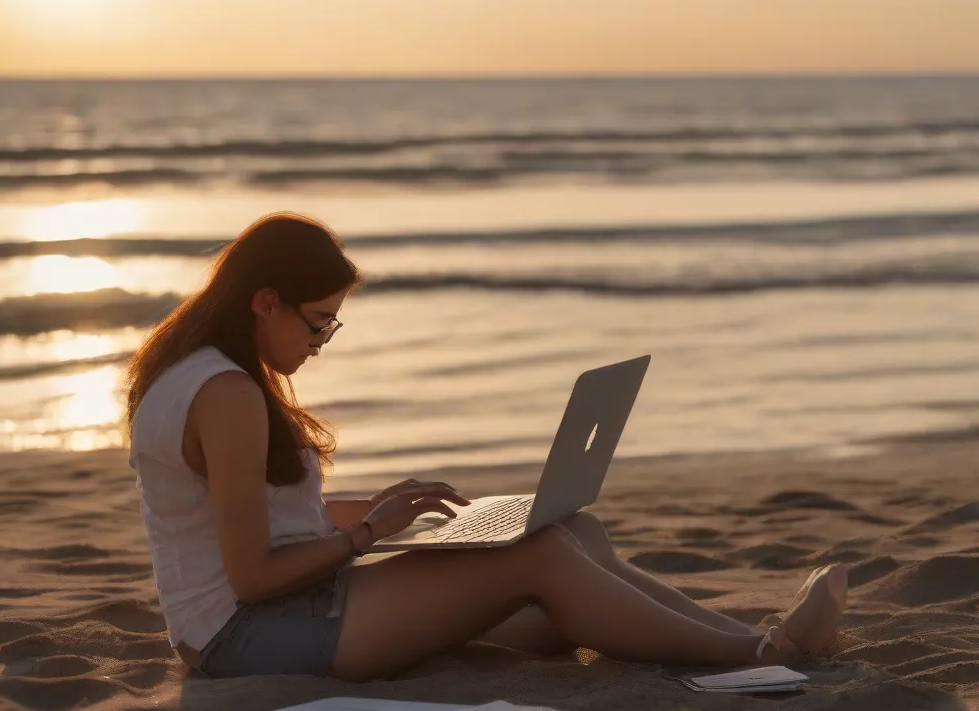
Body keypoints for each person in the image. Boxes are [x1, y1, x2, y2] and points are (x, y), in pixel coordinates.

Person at [126, 212, 847, 681]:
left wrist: (373, 509)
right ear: (265, 302)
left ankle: (751, 638)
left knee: (570, 531)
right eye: (318, 324)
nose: (321, 345)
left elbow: (251, 513)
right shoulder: (227, 395)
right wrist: (369, 536)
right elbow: (250, 575)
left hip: (296, 610)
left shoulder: (208, 375)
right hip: (247, 638)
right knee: (536, 557)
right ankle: (760, 656)